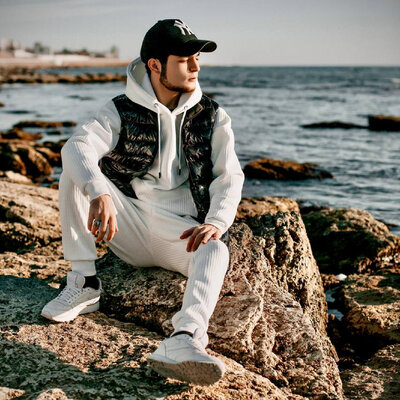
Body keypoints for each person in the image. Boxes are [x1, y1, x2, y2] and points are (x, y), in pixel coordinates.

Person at [40, 18, 245, 386]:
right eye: (184, 60)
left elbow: (229, 176)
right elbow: (77, 146)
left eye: (197, 58)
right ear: (155, 65)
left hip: (179, 234)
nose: (195, 67)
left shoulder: (213, 116)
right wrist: (99, 192)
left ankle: (185, 338)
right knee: (74, 168)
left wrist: (216, 221)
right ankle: (84, 282)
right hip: (128, 223)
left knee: (216, 250)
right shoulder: (120, 110)